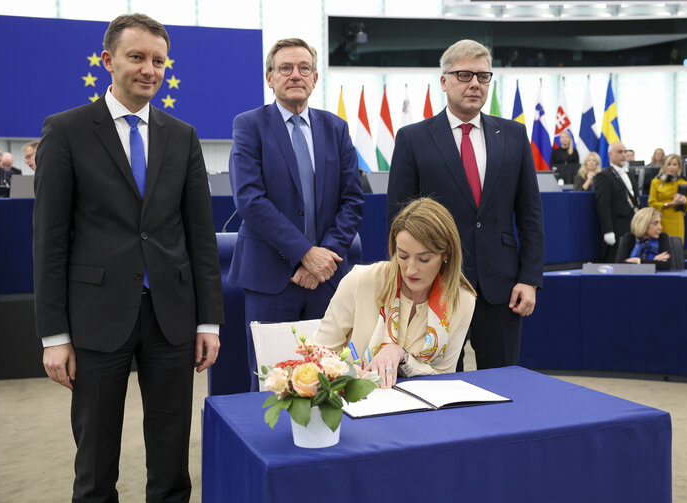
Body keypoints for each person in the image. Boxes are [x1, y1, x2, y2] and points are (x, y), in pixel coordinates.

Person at [33, 14, 224, 503]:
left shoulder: (182, 135)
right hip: (96, 321)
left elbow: (202, 237)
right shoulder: (67, 130)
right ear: (108, 61)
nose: (150, 69)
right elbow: (49, 241)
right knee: (95, 468)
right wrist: (54, 336)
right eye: (137, 57)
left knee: (171, 464)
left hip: (172, 319)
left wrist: (209, 321)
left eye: (159, 60)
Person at [387, 39, 544, 370]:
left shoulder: (514, 135)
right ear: (443, 81)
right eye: (464, 75)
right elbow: (398, 221)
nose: (474, 83)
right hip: (437, 285)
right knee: (437, 386)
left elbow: (530, 214)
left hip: (502, 287)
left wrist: (529, 279)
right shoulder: (413, 138)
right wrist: (406, 283)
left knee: (504, 384)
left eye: (483, 76)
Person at [228, 37, 364, 391]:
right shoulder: (249, 125)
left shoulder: (336, 128)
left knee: (330, 379)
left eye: (304, 68)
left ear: (315, 79)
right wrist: (306, 254)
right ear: (269, 78)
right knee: (271, 382)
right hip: (271, 280)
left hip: (328, 279)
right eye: (285, 68)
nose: (295, 75)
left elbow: (352, 199)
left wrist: (324, 257)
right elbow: (250, 200)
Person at [314, 198, 476, 388]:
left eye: (424, 259)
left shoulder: (462, 300)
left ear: (447, 254)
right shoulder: (360, 281)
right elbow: (317, 354)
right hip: (355, 401)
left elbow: (444, 377)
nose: (410, 270)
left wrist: (401, 355)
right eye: (403, 256)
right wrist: (347, 372)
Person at [594, 141, 641, 263]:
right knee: (616, 261)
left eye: (625, 151)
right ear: (610, 154)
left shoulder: (630, 174)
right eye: (620, 152)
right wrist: (608, 230)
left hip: (633, 225)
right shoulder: (604, 176)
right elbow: (603, 205)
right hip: (617, 227)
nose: (624, 155)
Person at [647, 153, 687, 243]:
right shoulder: (655, 182)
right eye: (669, 164)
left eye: (675, 164)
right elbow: (651, 203)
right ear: (664, 166)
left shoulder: (683, 182)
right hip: (660, 220)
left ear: (679, 167)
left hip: (677, 221)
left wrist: (684, 202)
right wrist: (672, 203)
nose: (671, 167)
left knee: (676, 247)